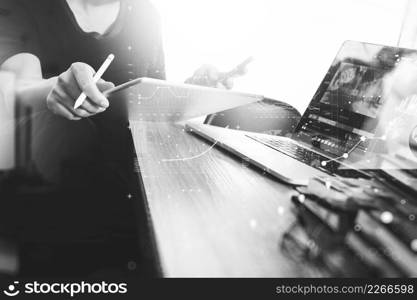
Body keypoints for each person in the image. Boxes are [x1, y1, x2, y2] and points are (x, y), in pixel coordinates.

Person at [0, 0, 233, 276]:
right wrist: (52, 89)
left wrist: (192, 90)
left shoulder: (145, 15)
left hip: (137, 199)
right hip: (54, 206)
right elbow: (16, 84)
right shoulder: (25, 6)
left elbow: (150, 102)